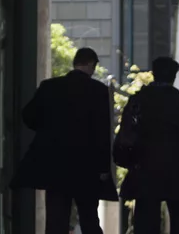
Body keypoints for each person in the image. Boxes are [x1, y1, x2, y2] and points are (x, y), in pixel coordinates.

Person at [10, 48, 118, 234]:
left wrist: (48, 130)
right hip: (87, 167)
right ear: (91, 64)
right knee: (89, 219)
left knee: (56, 220)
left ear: (75, 62)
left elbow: (28, 116)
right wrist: (104, 169)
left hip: (55, 164)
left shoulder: (50, 87)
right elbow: (103, 133)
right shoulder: (99, 91)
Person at [119, 57, 179, 234]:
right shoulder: (177, 100)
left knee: (146, 217)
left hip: (144, 165)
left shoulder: (139, 98)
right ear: (173, 77)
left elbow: (127, 129)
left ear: (154, 74)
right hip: (175, 166)